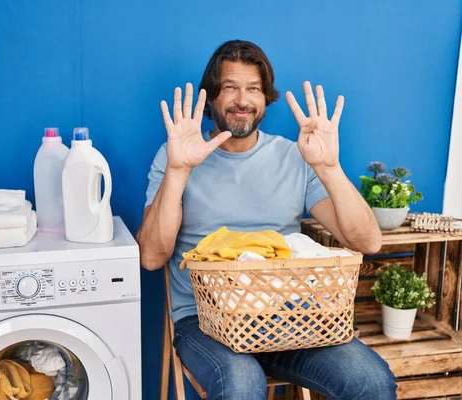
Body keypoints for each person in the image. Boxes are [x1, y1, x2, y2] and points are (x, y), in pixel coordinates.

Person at [136, 40, 397, 399]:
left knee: (371, 380)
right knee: (241, 385)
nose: (242, 100)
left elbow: (368, 242)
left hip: (290, 321)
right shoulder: (176, 156)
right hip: (204, 323)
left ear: (265, 98)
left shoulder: (295, 157)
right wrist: (179, 171)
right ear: (211, 96)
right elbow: (151, 257)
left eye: (253, 89)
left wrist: (329, 167)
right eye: (230, 87)